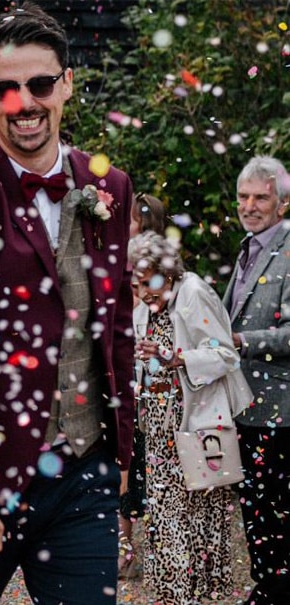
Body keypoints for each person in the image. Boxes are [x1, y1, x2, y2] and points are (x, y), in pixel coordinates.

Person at [0, 3, 136, 603]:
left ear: (66, 84)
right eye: (6, 89)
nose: (24, 103)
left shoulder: (107, 184)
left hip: (84, 468)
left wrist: (121, 457)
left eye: (39, 84)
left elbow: (114, 326)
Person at [129, 231, 239, 604]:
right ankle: (172, 594)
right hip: (158, 425)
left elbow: (226, 355)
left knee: (195, 510)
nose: (143, 293)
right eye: (136, 284)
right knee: (163, 510)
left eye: (149, 282)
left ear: (168, 272)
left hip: (195, 421)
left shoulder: (192, 293)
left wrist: (177, 358)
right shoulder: (146, 304)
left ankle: (195, 592)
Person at [223, 155, 290, 605]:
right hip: (246, 406)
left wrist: (239, 339)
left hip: (280, 411)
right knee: (255, 508)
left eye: (261, 197)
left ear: (282, 204)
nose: (250, 205)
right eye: (244, 196)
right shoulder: (248, 247)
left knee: (276, 512)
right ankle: (268, 587)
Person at [119, 191, 168, 579]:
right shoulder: (117, 263)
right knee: (124, 469)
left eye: (131, 218)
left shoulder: (164, 275)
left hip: (157, 391)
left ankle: (159, 547)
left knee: (152, 470)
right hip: (126, 388)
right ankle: (125, 548)